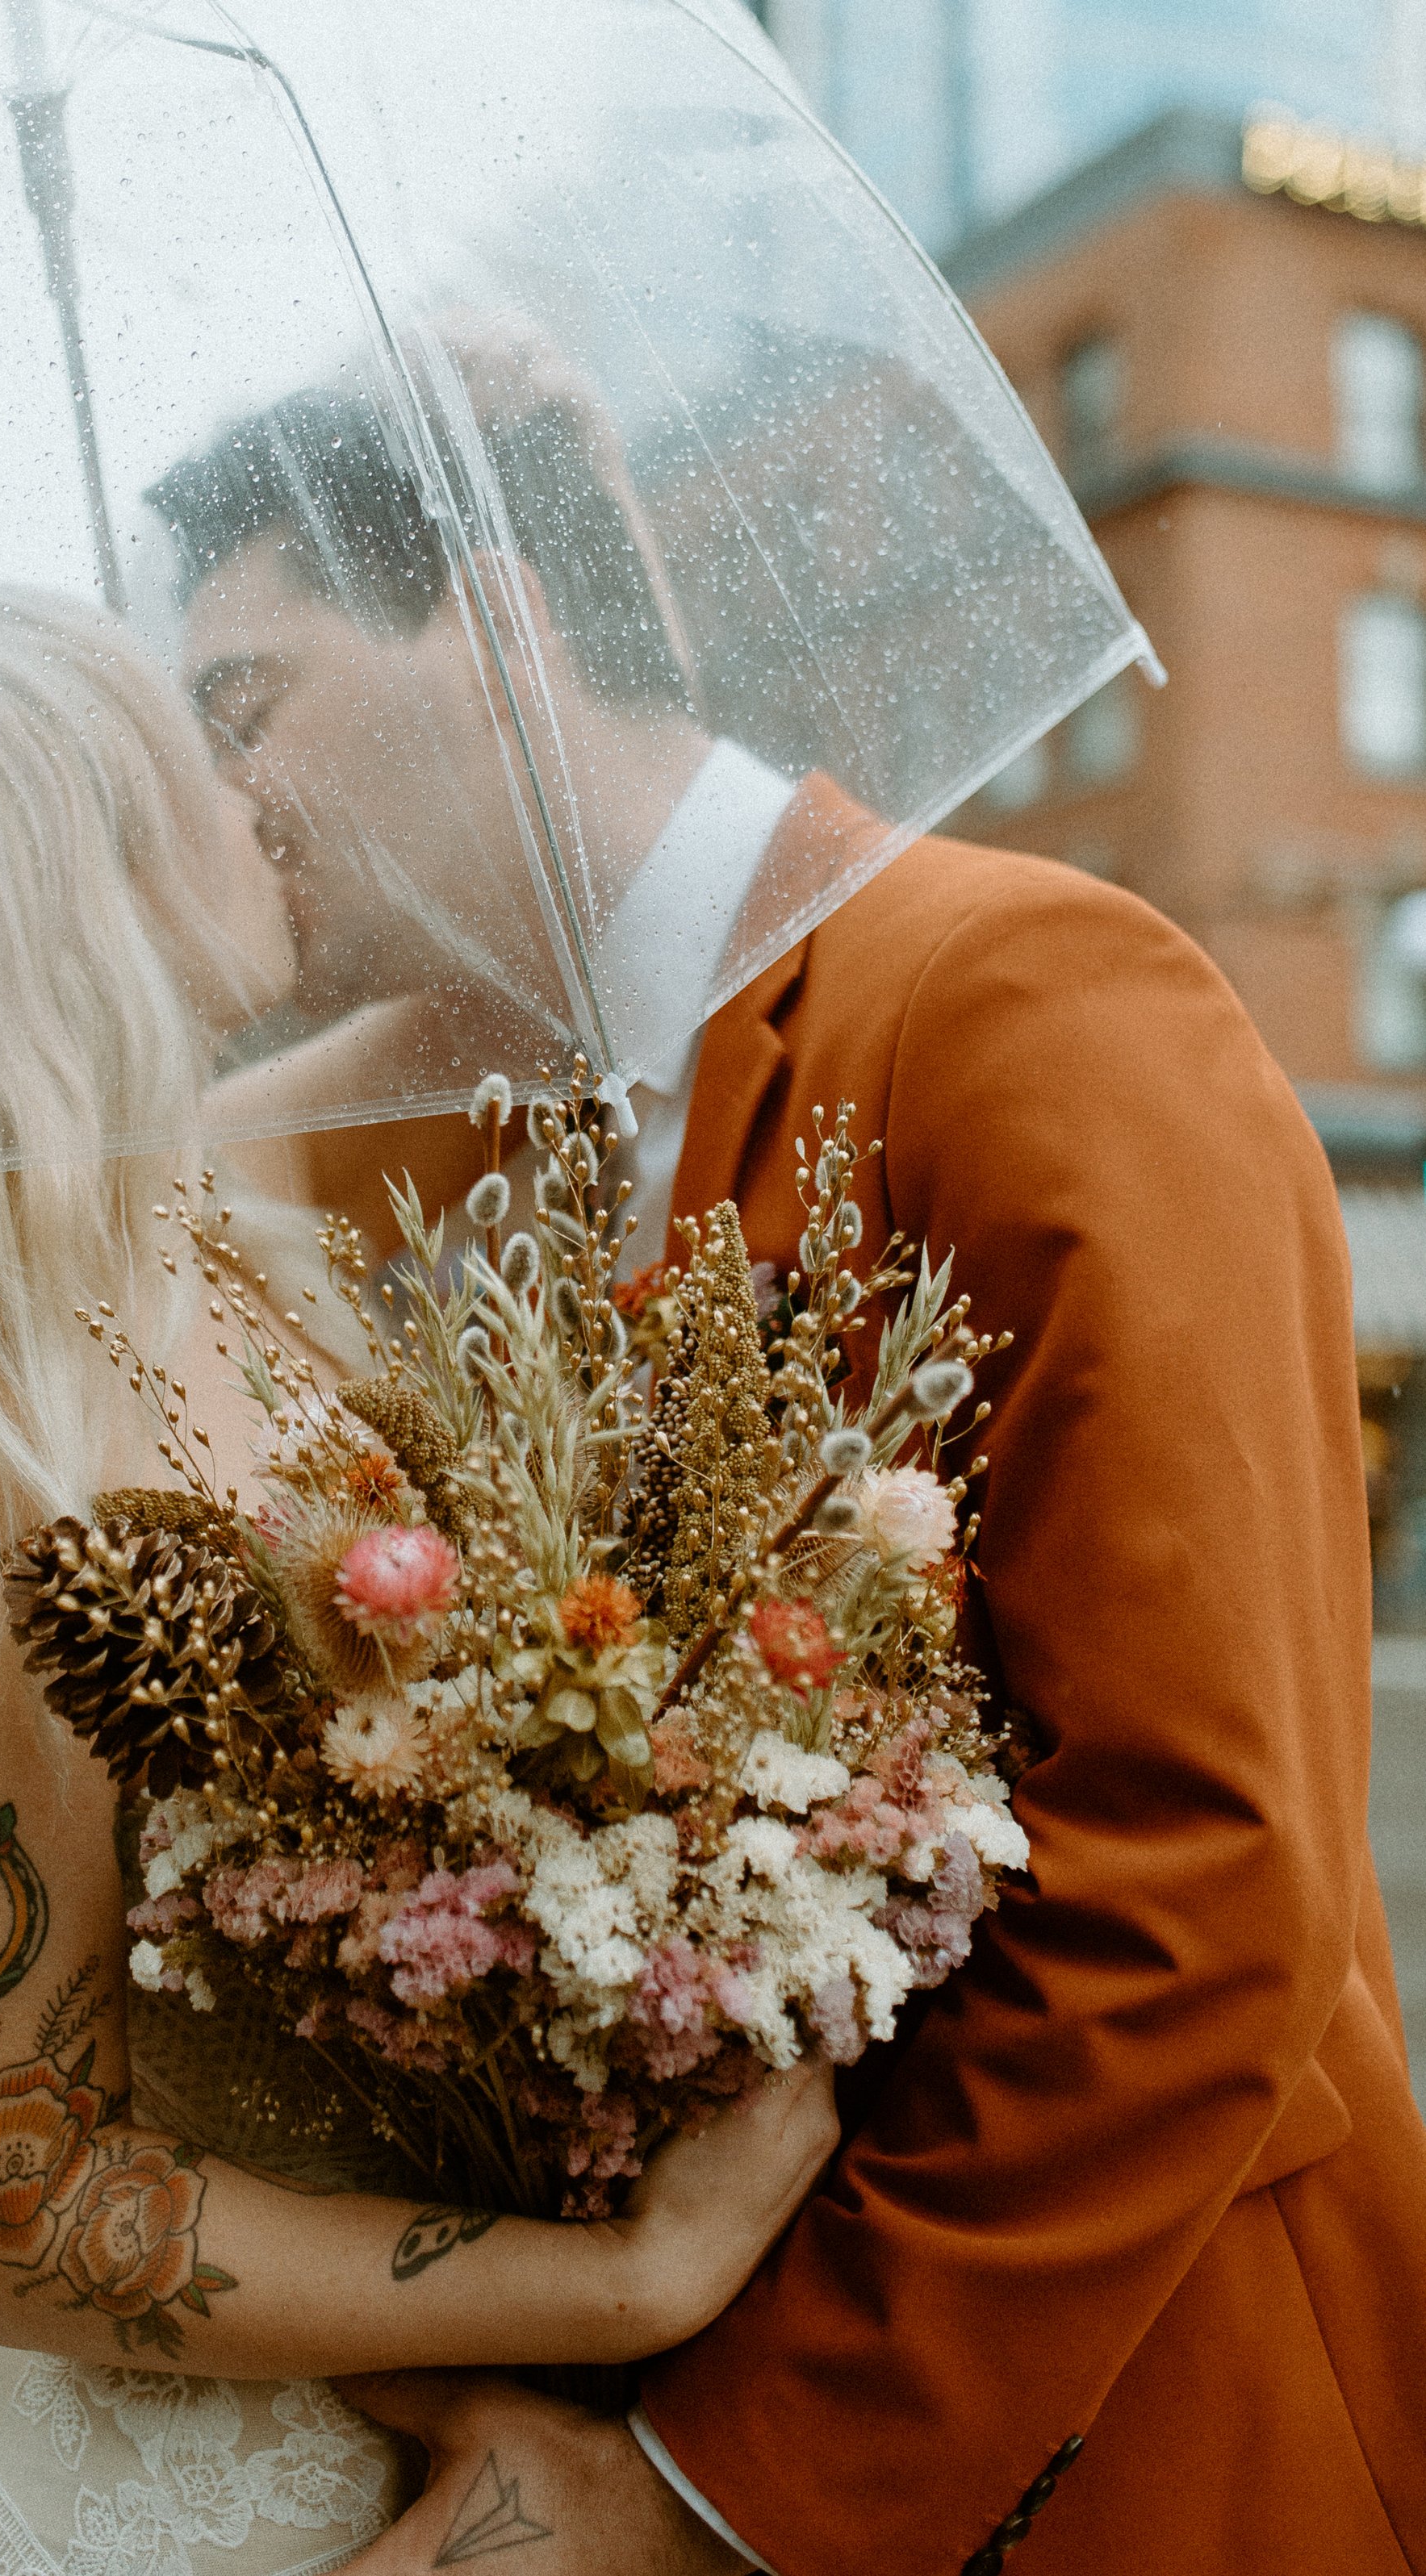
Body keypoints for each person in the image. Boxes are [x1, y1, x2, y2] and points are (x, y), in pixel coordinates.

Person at [153, 382, 1426, 2574]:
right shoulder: (442, 1141)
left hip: (1145, 2431)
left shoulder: (1030, 1000)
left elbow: (1199, 1874)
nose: (217, 801)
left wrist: (703, 2496)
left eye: (243, 703)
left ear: (499, 617)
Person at [0, 589, 836, 2573]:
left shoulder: (225, 1196)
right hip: (175, 2512)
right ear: (65, 864)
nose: (258, 787)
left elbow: (582, 959)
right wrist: (627, 2284)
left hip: (461, 2459)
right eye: (200, 746)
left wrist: (560, 596)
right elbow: (29, 2221)